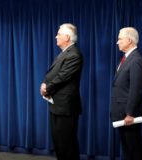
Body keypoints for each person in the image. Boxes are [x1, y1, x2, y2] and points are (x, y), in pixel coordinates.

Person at [40, 23, 83, 160]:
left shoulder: (74, 54)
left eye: (58, 34)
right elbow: (53, 74)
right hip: (57, 105)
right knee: (59, 143)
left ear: (67, 37)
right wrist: (45, 84)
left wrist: (47, 88)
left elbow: (62, 77)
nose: (56, 36)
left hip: (66, 107)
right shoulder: (64, 53)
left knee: (67, 144)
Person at [111, 27, 142, 160]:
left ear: (129, 40)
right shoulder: (127, 58)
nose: (117, 42)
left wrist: (130, 113)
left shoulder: (136, 59)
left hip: (129, 115)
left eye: (120, 39)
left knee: (134, 150)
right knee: (127, 150)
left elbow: (136, 89)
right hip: (122, 114)